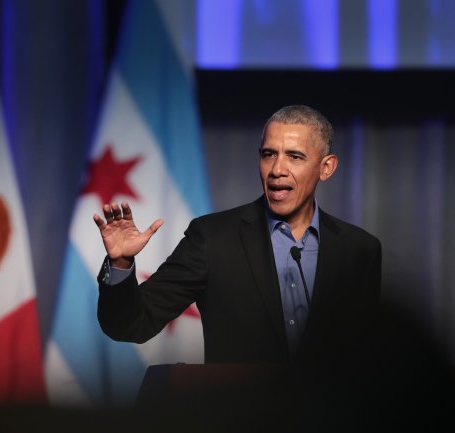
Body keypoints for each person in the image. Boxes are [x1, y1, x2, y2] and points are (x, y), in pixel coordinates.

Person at [93, 104, 382, 365]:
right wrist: (120, 264)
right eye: (269, 154)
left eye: (294, 156)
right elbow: (131, 325)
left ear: (326, 167)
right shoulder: (212, 239)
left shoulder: (359, 250)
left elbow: (367, 354)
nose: (277, 169)